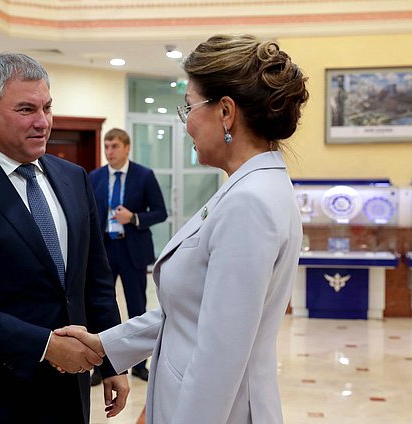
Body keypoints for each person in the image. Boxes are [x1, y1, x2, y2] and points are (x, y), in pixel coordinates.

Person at [56, 34, 309, 424]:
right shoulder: (248, 187)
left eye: (189, 107)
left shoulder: (248, 203)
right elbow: (190, 312)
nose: (186, 123)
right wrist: (106, 344)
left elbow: (220, 357)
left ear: (226, 112)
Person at [0, 52, 129, 424]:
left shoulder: (73, 177)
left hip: (67, 391)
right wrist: (46, 346)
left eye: (47, 107)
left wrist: (112, 359)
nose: (43, 122)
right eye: (26, 109)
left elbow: (94, 279)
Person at [88, 128, 166, 384]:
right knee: (101, 308)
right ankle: (100, 367)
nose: (109, 151)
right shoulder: (94, 178)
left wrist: (133, 218)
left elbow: (160, 212)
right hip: (104, 250)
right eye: (106, 146)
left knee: (136, 308)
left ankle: (138, 364)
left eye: (114, 146)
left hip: (132, 249)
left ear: (127, 147)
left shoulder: (144, 176)